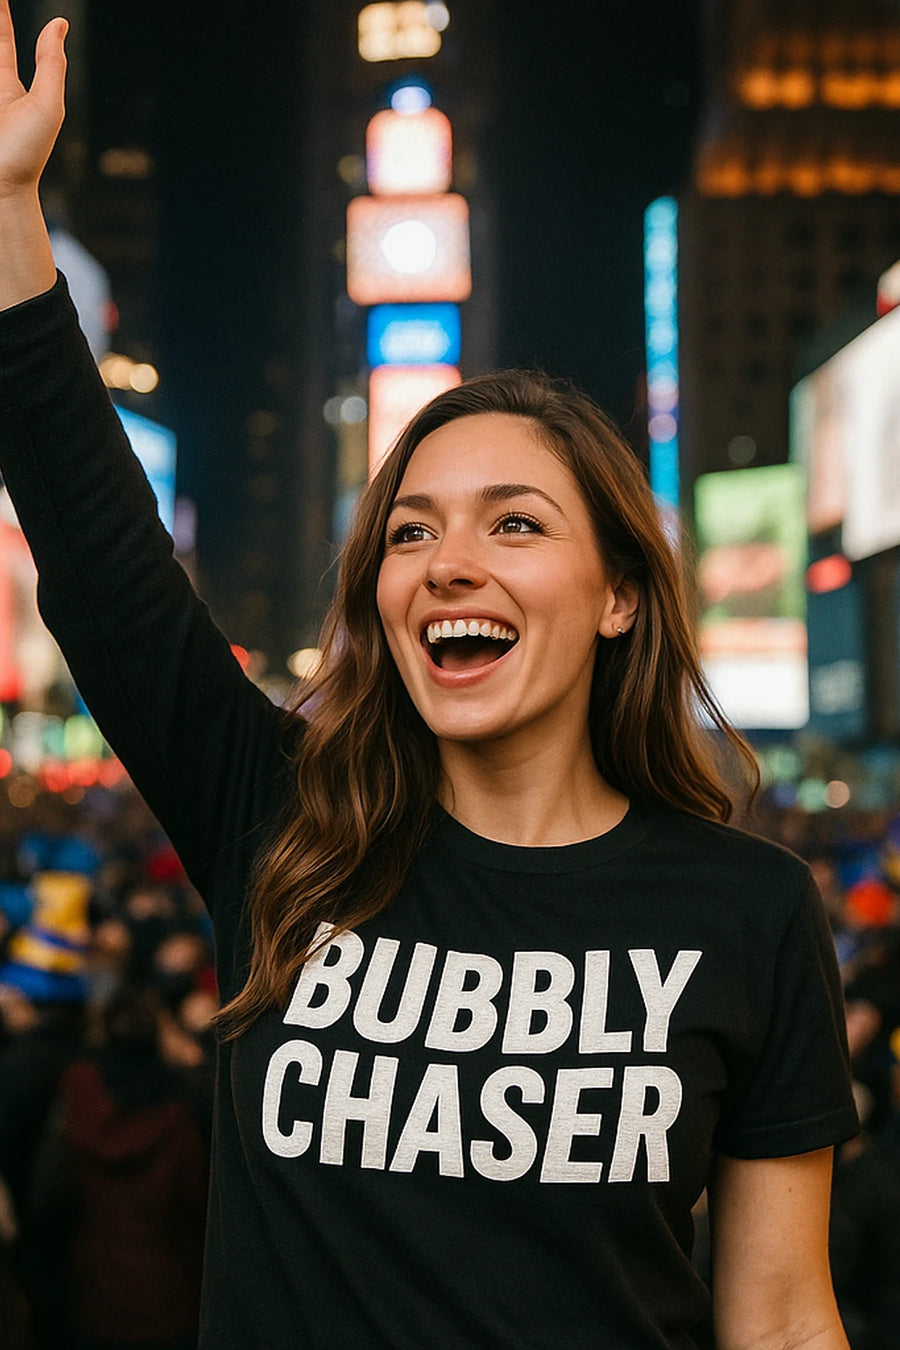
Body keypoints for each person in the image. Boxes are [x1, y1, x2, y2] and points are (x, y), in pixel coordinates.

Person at [0, 7, 859, 1347]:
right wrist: (7, 211)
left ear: (620, 593)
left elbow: (784, 1308)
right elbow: (105, 563)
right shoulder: (280, 821)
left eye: (515, 522)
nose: (449, 561)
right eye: (413, 529)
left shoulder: (747, 909)